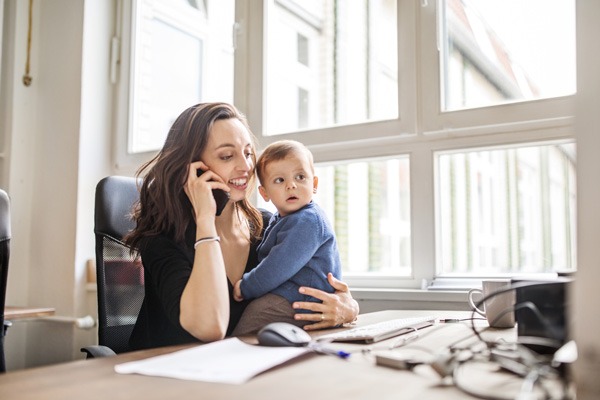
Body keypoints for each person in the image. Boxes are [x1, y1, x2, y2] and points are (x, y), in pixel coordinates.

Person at [124, 102, 359, 350]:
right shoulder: (162, 237)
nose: (246, 167)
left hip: (242, 372)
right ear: (192, 169)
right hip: (164, 376)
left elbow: (319, 283)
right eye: (227, 156)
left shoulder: (266, 226)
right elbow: (210, 328)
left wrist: (348, 307)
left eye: (248, 153)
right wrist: (205, 219)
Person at [231, 140, 342, 335]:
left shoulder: (308, 221)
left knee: (245, 331)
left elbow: (278, 265)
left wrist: (247, 287)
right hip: (293, 296)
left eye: (300, 177)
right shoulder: (281, 218)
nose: (291, 185)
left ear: (314, 184)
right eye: (279, 180)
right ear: (264, 193)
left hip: (301, 299)